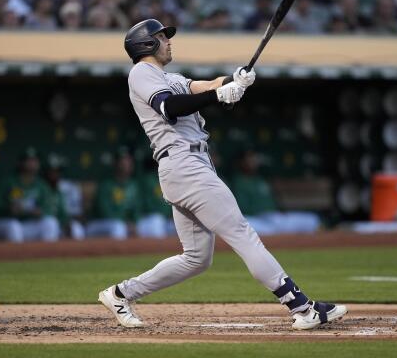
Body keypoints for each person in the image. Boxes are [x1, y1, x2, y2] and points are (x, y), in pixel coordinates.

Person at [98, 19, 347, 331]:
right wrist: (219, 95)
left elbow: (200, 87)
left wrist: (235, 80)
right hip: (184, 165)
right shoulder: (141, 73)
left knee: (196, 258)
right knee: (242, 233)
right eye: (162, 37)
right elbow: (170, 107)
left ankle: (121, 293)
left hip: (187, 167)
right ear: (146, 44)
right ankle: (301, 306)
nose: (169, 42)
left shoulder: (169, 77)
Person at [232, 149, 321, 235]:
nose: (253, 161)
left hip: (275, 218)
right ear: (241, 161)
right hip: (257, 220)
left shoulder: (261, 179)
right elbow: (242, 209)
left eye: (254, 158)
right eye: (249, 158)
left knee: (312, 220)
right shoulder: (238, 182)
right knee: (245, 225)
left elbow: (274, 202)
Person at [0, 147, 61, 242]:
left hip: (28, 223)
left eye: (35, 160)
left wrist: (40, 211)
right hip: (4, 222)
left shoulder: (41, 185)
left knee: (51, 223)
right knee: (14, 226)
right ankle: (14, 256)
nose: (32, 163)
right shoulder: (8, 182)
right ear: (21, 162)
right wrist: (8, 209)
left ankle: (44, 255)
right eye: (29, 160)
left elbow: (48, 207)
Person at [85, 146, 141, 239]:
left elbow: (136, 211)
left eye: (128, 160)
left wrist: (134, 223)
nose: (126, 163)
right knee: (118, 227)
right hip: (97, 224)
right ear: (116, 163)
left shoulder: (133, 186)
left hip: (122, 224)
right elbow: (105, 212)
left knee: (144, 226)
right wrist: (126, 223)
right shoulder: (106, 185)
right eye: (123, 160)